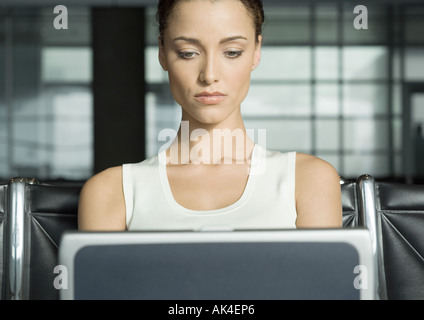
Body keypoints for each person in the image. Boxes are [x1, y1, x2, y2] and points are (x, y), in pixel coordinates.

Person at [78, 0, 342, 231]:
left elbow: (323, 287)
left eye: (232, 52)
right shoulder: (112, 192)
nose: (209, 74)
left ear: (256, 51)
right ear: (162, 52)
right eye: (188, 53)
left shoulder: (308, 180)